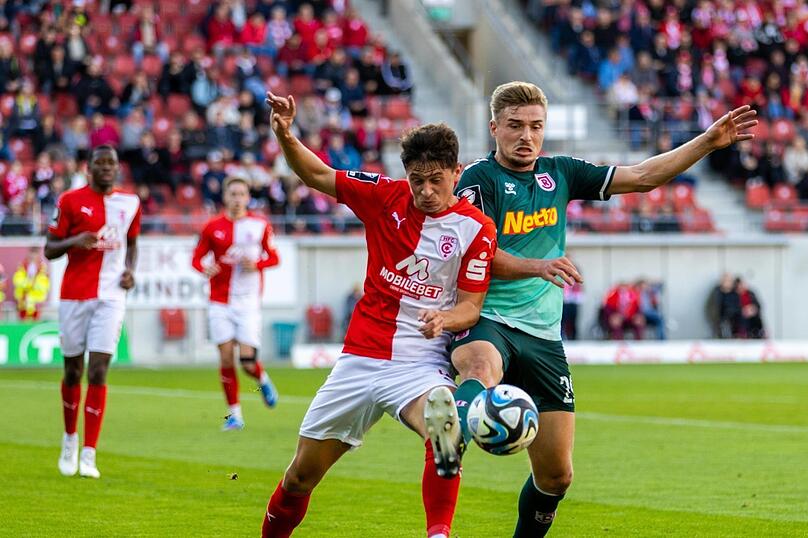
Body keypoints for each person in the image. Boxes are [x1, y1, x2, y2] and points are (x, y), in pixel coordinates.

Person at [444, 81, 757, 536]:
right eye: (514, 126)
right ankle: (449, 436)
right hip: (488, 318)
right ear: (494, 128)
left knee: (556, 476)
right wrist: (537, 265)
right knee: (479, 369)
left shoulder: (561, 173)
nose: (526, 136)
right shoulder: (479, 179)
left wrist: (708, 140)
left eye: (535, 126)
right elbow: (477, 256)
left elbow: (643, 176)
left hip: (544, 338)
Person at [261, 93, 497, 538]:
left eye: (436, 181)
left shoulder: (476, 229)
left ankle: (439, 533)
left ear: (457, 174)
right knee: (299, 477)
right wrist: (285, 135)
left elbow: (471, 306)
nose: (425, 191)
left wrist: (445, 320)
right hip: (360, 358)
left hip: (418, 364)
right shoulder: (382, 196)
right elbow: (315, 173)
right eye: (417, 180)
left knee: (445, 426)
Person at [45, 145, 141, 479]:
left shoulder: (130, 203)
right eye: (99, 163)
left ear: (117, 168)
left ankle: (89, 452)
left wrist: (130, 270)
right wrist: (74, 241)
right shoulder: (70, 201)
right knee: (73, 371)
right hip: (74, 295)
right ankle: (69, 439)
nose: (105, 168)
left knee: (98, 370)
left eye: (110, 163)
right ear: (89, 167)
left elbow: (133, 244)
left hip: (111, 297)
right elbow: (48, 249)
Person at [192, 176, 281, 431]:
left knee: (248, 362)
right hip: (219, 302)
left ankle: (262, 378)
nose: (237, 198)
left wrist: (258, 264)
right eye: (233, 194)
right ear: (225, 196)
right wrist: (204, 268)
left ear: (247, 196)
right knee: (226, 358)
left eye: (242, 194)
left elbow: (274, 257)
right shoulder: (212, 227)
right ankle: (235, 415)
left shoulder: (260, 224)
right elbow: (196, 258)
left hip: (248, 302)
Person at [13, 246, 50, 320]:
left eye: (35, 254)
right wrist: (28, 284)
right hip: (23, 299)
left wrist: (33, 285)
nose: (32, 256)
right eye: (31, 253)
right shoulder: (22, 266)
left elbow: (44, 283)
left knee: (35, 324)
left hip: (36, 300)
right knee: (23, 322)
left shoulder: (43, 267)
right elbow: (17, 280)